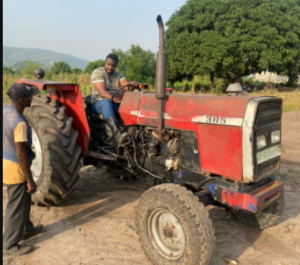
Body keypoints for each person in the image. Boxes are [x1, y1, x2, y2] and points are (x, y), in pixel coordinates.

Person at [3, 83, 43, 256]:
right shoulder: (19, 123)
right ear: (21, 100)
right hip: (15, 167)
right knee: (16, 206)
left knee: (24, 201)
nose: (32, 97)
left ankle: (26, 229)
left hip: (5, 160)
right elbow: (21, 155)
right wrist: (30, 179)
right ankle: (9, 245)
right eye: (29, 96)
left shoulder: (6, 110)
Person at [90, 53, 138, 144]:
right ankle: (117, 134)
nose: (110, 67)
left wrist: (132, 85)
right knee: (105, 102)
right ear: (105, 62)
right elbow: (102, 93)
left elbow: (127, 87)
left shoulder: (118, 75)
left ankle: (134, 132)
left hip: (113, 104)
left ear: (116, 66)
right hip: (98, 104)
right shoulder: (98, 72)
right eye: (108, 64)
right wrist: (118, 102)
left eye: (113, 66)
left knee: (132, 105)